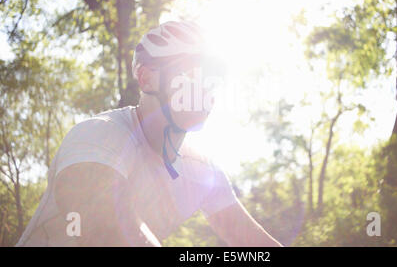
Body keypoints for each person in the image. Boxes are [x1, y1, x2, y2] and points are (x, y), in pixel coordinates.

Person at [16, 21, 282, 247]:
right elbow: (105, 229)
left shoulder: (203, 169)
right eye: (189, 73)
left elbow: (253, 243)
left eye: (211, 78)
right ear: (145, 78)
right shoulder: (99, 135)